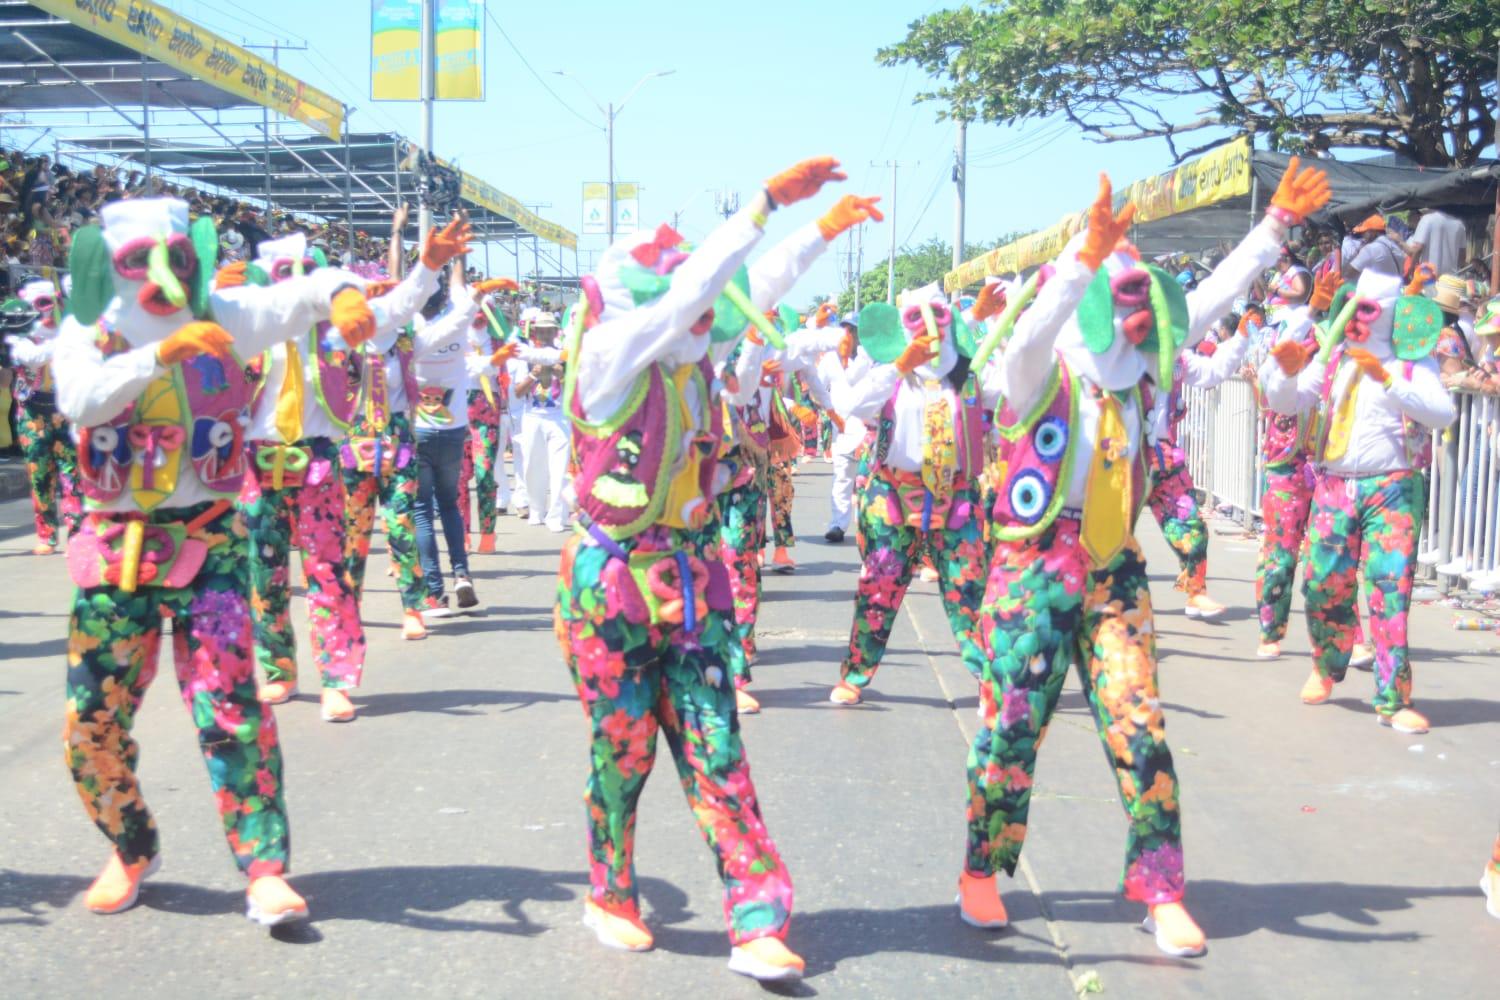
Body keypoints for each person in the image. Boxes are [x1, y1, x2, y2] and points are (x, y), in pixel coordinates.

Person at [966, 161, 1331, 958]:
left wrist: (1274, 230)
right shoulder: (1038, 374)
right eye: (1130, 315)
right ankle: (982, 872)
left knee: (1143, 727)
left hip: (1114, 570)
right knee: (1011, 733)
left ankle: (1161, 889)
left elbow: (1205, 304)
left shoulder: (1138, 376)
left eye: (1149, 319)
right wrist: (1083, 258)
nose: (1148, 330)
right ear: (1096, 312)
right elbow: (1032, 329)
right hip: (1032, 565)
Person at [556, 156, 870, 982]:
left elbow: (744, 293)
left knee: (717, 745)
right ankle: (609, 892)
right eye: (674, 289)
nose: (701, 313)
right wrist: (761, 203)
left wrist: (816, 230)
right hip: (612, 588)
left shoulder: (691, 360)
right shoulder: (611, 355)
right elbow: (698, 293)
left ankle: (757, 918)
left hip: (692, 587)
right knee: (621, 753)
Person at [53, 196, 377, 923]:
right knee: (90, 724)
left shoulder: (224, 313)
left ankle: (264, 869)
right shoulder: (88, 327)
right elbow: (79, 399)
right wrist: (157, 355)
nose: (163, 275)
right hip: (115, 550)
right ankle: (130, 845)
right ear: (110, 263)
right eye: (141, 259)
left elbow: (299, 295)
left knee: (231, 709)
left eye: (178, 256)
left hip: (210, 540)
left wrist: (345, 293)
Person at [1263, 268, 1457, 734]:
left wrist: (1388, 378)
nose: (1353, 319)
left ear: (1387, 316)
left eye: (1365, 310)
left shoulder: (1414, 364)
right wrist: (1285, 373)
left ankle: (1392, 699)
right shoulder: (1333, 360)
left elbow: (1443, 412)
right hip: (1333, 486)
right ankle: (1326, 665)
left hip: (1392, 487)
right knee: (1323, 584)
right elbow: (1284, 402)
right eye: (1350, 308)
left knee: (1390, 591)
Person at [828, 287, 996, 706]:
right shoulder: (889, 374)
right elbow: (849, 403)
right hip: (894, 496)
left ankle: (990, 682)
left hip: (955, 497)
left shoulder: (969, 374)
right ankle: (855, 674)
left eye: (937, 316)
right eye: (915, 319)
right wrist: (900, 365)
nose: (928, 327)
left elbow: (1023, 383)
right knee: (878, 586)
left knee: (970, 590)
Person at [411, 260, 498, 617]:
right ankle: (461, 574)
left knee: (421, 510)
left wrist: (401, 237)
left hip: (418, 432)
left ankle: (434, 592)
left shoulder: (411, 333)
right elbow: (463, 296)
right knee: (449, 504)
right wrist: (459, 260)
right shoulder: (459, 327)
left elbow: (401, 291)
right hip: (453, 432)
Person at [5, 278, 81, 554]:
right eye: (37, 305)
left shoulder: (67, 330)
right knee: (40, 476)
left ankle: (77, 534)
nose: (43, 311)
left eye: (47, 303)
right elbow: (33, 357)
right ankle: (46, 534)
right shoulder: (17, 337)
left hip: (64, 411)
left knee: (73, 476)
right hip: (32, 414)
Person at [511, 311, 571, 531]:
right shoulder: (527, 357)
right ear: (535, 332)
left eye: (549, 330)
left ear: (556, 332)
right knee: (532, 468)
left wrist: (562, 375)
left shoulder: (564, 356)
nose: (545, 334)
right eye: (541, 331)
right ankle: (536, 511)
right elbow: (517, 392)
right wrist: (533, 375)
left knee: (560, 469)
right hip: (533, 417)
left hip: (559, 418)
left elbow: (576, 391)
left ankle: (556, 517)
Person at [819, 313, 870, 542]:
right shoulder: (829, 360)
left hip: (867, 430)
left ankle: (869, 526)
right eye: (846, 329)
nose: (849, 334)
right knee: (842, 479)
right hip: (842, 430)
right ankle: (838, 526)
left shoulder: (869, 356)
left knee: (868, 482)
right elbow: (818, 387)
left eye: (853, 330)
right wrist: (828, 410)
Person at [1405, 207, 1467, 277]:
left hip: (1428, 277)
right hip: (1450, 280)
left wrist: (1412, 268)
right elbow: (1462, 258)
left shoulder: (1427, 219)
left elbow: (1418, 248)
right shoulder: (1459, 224)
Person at [1343, 215, 1407, 280]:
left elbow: (1348, 274)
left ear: (1373, 232)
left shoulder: (1370, 249)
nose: (1362, 236)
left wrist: (1358, 252)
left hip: (1379, 289)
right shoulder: (1393, 243)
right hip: (1397, 287)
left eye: (1364, 232)